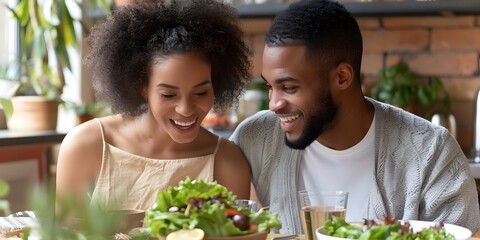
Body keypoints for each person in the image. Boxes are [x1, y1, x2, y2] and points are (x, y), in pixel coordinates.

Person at [230, 0, 480, 234]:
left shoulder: (432, 152)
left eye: (289, 88)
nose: (274, 104)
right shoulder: (254, 138)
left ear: (342, 77)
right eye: (269, 87)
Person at [56, 0, 252, 212]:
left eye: (200, 92)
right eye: (169, 94)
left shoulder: (228, 162)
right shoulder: (87, 145)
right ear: (142, 87)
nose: (185, 109)